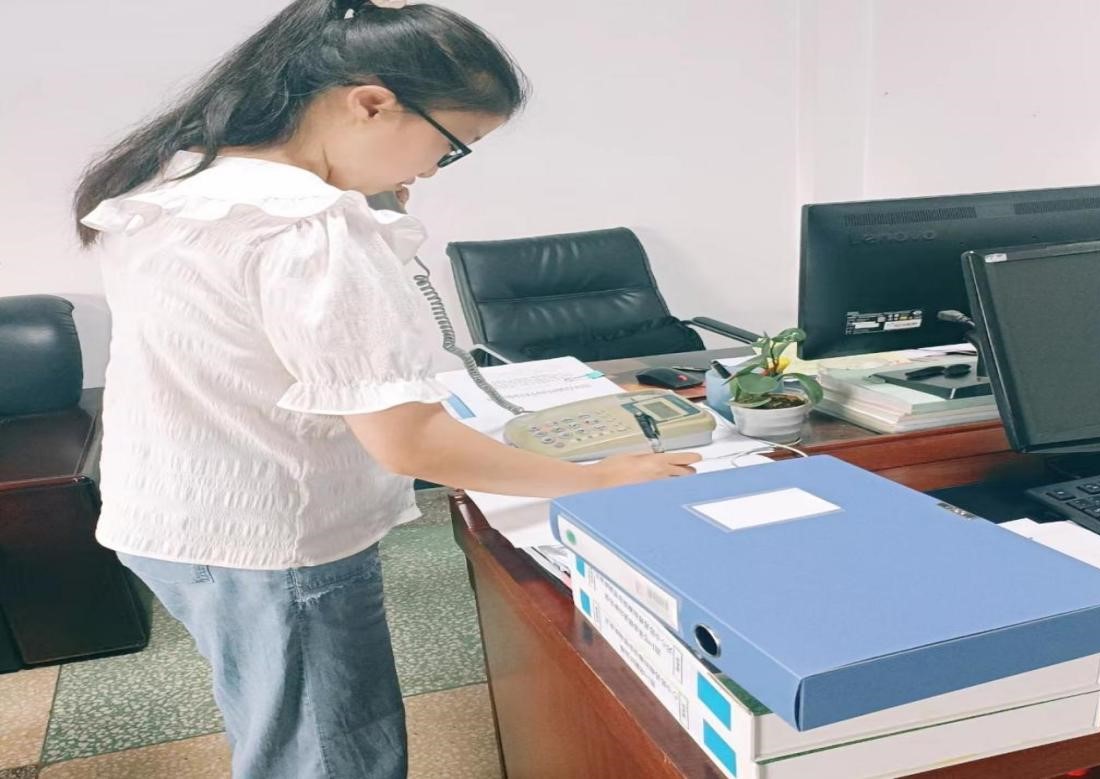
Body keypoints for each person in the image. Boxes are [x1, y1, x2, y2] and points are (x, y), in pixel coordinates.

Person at [73, 1, 700, 776]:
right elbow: (409, 439)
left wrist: (367, 212)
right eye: (453, 146)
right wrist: (596, 481)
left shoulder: (180, 183)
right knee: (327, 753)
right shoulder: (308, 228)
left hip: (177, 514)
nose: (432, 171)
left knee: (276, 719)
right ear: (370, 103)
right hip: (273, 535)